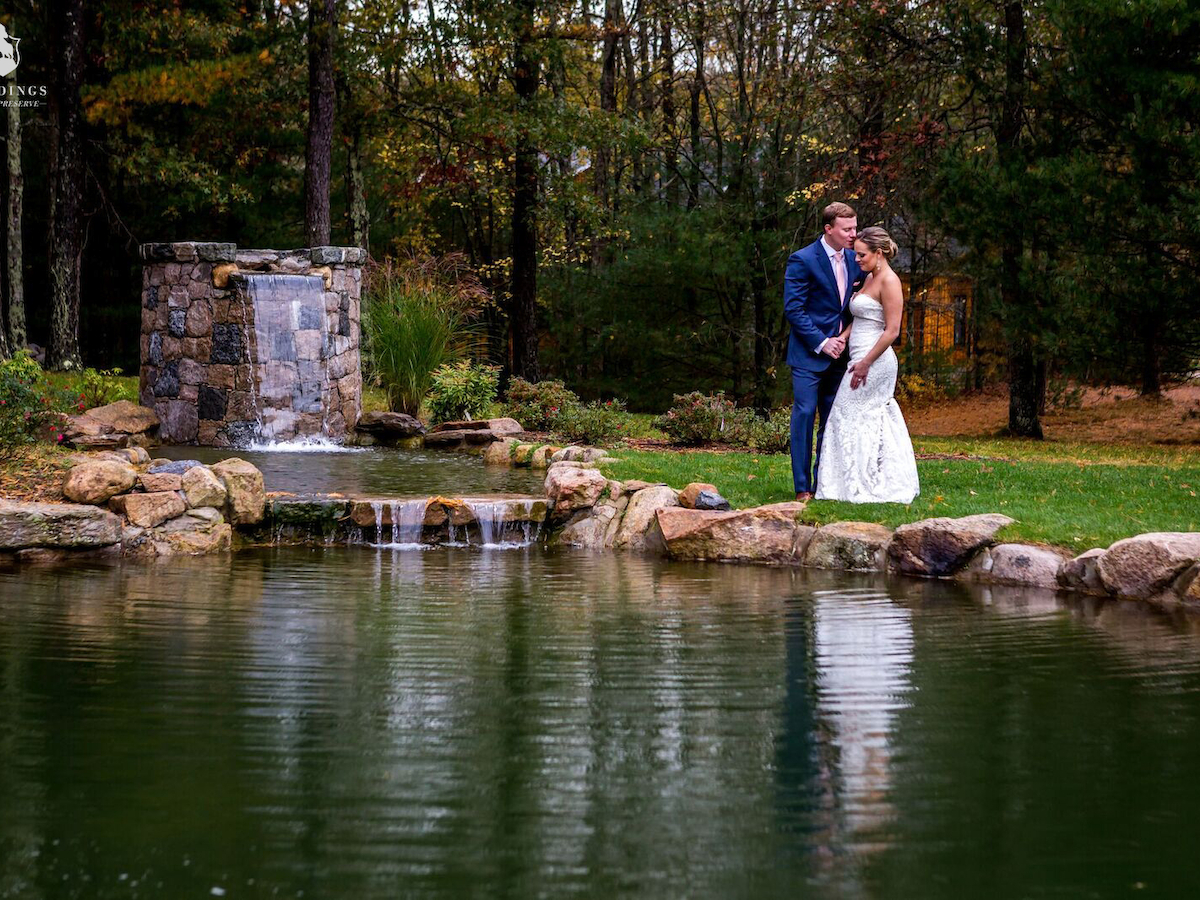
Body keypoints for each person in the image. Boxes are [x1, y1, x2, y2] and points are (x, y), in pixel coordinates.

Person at [814, 226, 920, 504]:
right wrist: (843, 337)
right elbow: (862, 318)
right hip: (857, 356)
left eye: (861, 255)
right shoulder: (870, 278)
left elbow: (892, 330)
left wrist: (865, 363)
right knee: (851, 418)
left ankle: (867, 482)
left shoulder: (890, 281)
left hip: (875, 361)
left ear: (879, 252)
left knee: (851, 415)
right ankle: (847, 483)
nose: (857, 260)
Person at [783, 201, 863, 501]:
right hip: (808, 354)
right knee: (804, 416)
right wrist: (822, 342)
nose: (853, 234)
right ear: (828, 229)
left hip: (843, 355)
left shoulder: (858, 259)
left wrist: (842, 339)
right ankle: (802, 487)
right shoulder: (802, 260)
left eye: (855, 227)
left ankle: (825, 484)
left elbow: (859, 302)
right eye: (847, 229)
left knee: (833, 420)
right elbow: (794, 309)